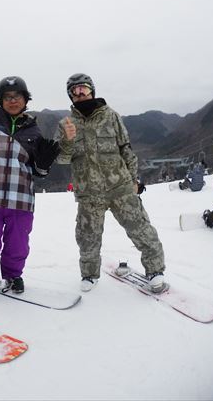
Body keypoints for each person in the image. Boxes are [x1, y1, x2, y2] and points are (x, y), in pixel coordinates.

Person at [54, 73, 166, 293]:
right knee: (87, 237)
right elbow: (62, 159)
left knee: (140, 229)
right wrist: (67, 140)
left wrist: (133, 179)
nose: (79, 93)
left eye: (83, 88)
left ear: (92, 90)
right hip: (88, 193)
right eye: (74, 91)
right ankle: (89, 274)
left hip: (120, 187)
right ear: (70, 95)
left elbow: (126, 149)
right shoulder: (66, 124)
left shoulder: (111, 116)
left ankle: (155, 270)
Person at [0, 76, 60, 308]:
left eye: (17, 96)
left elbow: (38, 171)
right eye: (7, 97)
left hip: (21, 198)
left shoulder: (34, 131)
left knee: (18, 245)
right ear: (1, 101)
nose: (13, 100)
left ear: (26, 99)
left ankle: (13, 274)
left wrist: (43, 165)